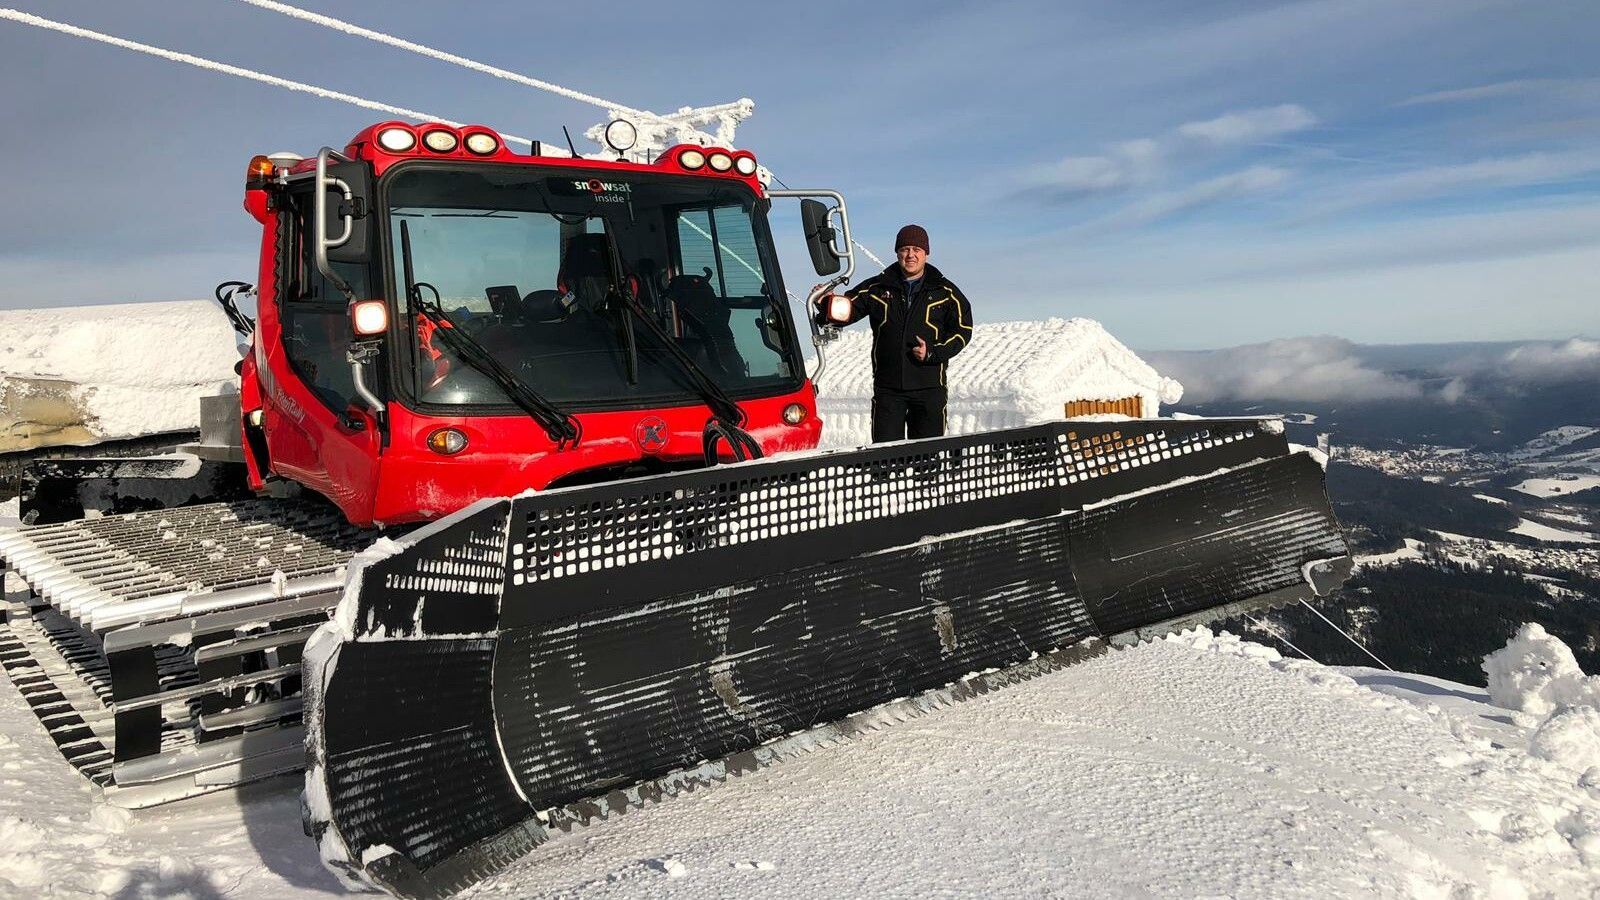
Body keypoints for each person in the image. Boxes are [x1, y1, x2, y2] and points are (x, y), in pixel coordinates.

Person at [816, 224, 973, 442]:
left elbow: (963, 330)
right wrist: (825, 304)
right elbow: (846, 310)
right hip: (888, 390)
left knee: (927, 458)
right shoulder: (878, 287)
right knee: (886, 458)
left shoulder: (945, 292)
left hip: (928, 389)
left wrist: (934, 352)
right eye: (905, 249)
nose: (910, 255)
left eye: (916, 250)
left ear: (926, 253)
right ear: (897, 252)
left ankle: (926, 476)